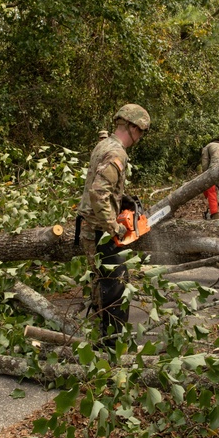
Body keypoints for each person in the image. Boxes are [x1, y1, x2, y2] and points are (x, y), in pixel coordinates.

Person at [76, 104, 150, 342]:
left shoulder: (104, 144)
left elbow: (102, 187)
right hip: (99, 229)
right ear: (131, 127)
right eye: (139, 131)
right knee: (116, 283)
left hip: (90, 224)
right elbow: (98, 192)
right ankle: (111, 342)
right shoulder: (117, 152)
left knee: (102, 282)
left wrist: (122, 199)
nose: (139, 137)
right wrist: (114, 226)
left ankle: (101, 338)